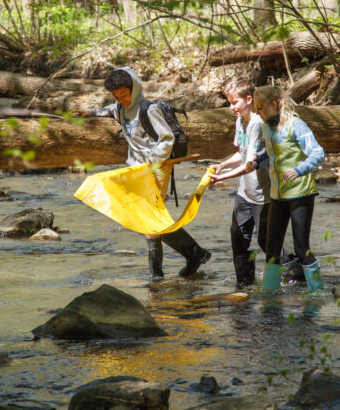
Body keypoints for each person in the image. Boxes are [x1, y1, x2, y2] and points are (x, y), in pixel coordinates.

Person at [85, 67, 210, 281]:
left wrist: (153, 160)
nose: (121, 99)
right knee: (149, 220)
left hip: (156, 169)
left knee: (150, 224)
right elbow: (106, 110)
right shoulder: (119, 109)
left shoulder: (149, 109)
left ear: (134, 89)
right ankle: (194, 252)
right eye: (116, 96)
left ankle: (157, 278)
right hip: (135, 170)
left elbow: (167, 138)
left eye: (124, 95)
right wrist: (89, 113)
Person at [247, 85, 325, 291]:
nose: (258, 113)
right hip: (277, 196)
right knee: (271, 249)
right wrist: (258, 161)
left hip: (301, 193)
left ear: (275, 104)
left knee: (301, 247)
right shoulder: (266, 128)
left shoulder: (295, 125)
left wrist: (299, 170)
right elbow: (271, 155)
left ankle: (317, 293)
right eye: (255, 108)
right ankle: (268, 295)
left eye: (260, 108)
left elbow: (318, 153)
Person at [209, 77, 269, 288]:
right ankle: (244, 285)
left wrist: (221, 178)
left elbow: (249, 164)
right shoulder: (240, 121)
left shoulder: (257, 124)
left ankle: (293, 274)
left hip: (262, 195)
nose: (231, 107)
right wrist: (222, 165)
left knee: (266, 243)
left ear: (249, 99)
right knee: (238, 240)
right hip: (244, 193)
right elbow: (241, 154)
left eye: (235, 102)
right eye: (229, 102)